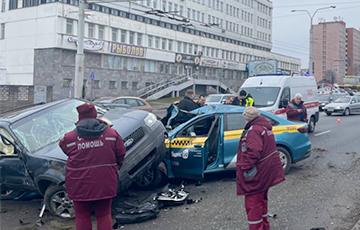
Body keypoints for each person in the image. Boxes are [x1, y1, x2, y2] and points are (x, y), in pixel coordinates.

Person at [59, 103, 126, 230]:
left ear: (80, 116)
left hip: (78, 183)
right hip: (105, 180)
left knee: (82, 216)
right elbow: (121, 153)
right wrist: (115, 167)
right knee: (104, 214)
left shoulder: (69, 138)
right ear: (95, 115)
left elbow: (65, 149)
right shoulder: (112, 134)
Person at [236, 107, 285, 230]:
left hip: (257, 174)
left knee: (253, 205)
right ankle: (264, 226)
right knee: (262, 202)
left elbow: (254, 152)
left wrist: (244, 168)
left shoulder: (253, 131)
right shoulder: (264, 128)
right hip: (266, 172)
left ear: (247, 118)